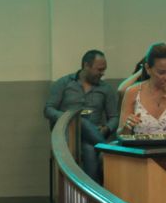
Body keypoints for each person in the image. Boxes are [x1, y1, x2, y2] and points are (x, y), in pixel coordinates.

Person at [44, 50, 117, 180]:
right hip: (68, 133)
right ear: (86, 65)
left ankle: (92, 196)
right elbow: (48, 109)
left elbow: (114, 117)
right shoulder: (64, 83)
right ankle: (107, 149)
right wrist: (67, 117)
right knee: (78, 119)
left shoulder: (106, 89)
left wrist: (106, 128)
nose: (102, 74)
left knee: (89, 150)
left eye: (104, 70)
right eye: (99, 70)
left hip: (91, 137)